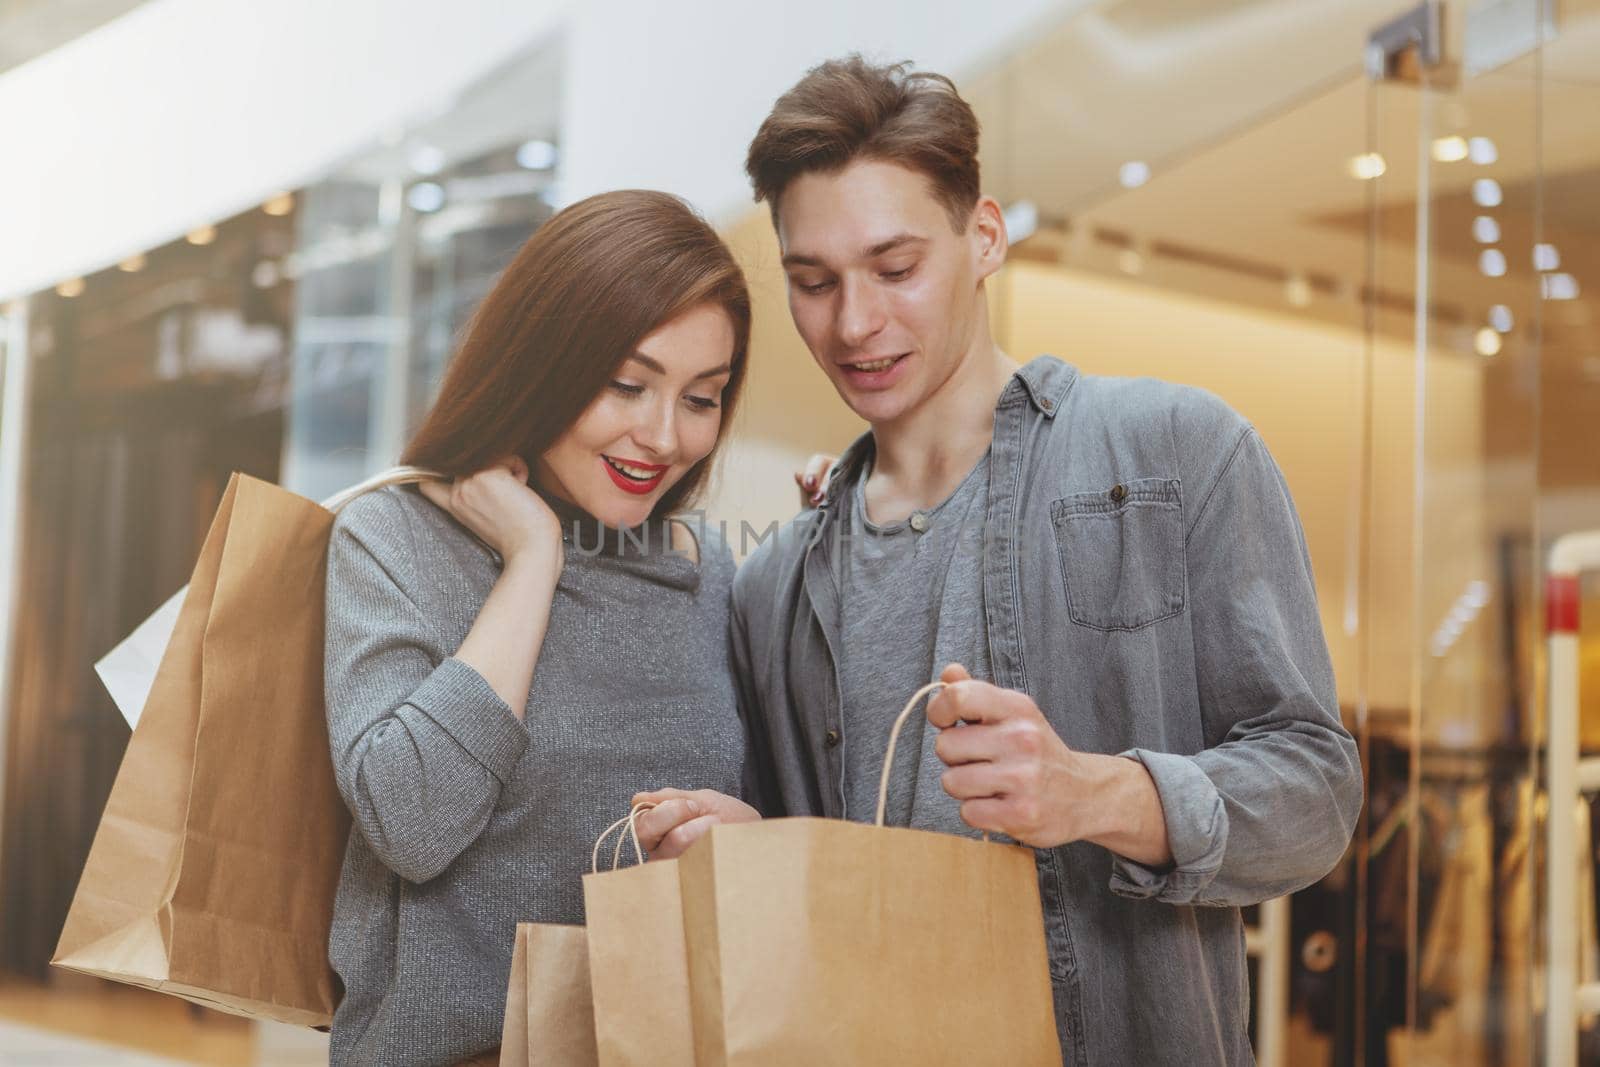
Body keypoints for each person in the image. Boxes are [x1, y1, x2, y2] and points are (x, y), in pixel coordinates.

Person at [636, 56, 1363, 1065]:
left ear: (983, 237)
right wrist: (743, 843)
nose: (853, 323)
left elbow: (1317, 791)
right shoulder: (776, 585)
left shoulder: (1172, 453)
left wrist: (1093, 792)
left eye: (895, 269)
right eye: (813, 282)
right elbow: (811, 906)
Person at [321, 190, 750, 1066]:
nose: (662, 436)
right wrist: (533, 558)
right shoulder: (394, 537)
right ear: (543, 359)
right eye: (627, 384)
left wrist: (743, 836)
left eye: (701, 398)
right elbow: (410, 821)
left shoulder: (709, 573)